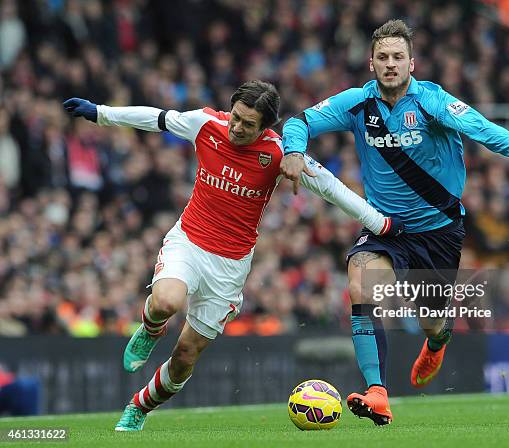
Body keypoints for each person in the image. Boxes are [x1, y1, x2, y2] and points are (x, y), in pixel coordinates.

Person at [63, 80, 404, 431]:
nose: (237, 128)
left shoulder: (279, 153)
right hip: (189, 241)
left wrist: (380, 223)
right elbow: (158, 118)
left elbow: (331, 187)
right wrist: (101, 114)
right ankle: (151, 329)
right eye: (236, 118)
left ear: (265, 127)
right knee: (165, 301)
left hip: (230, 266)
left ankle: (139, 406)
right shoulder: (207, 124)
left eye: (248, 124)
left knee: (184, 357)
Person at [281, 20, 509, 425]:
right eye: (383, 58)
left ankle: (438, 339)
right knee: (360, 279)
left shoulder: (432, 101)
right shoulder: (357, 103)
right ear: (371, 64)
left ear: (413, 63)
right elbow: (299, 121)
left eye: (398, 57)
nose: (390, 64)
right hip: (386, 228)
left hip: (440, 231)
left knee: (431, 319)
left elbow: (478, 126)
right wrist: (294, 151)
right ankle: (377, 392)